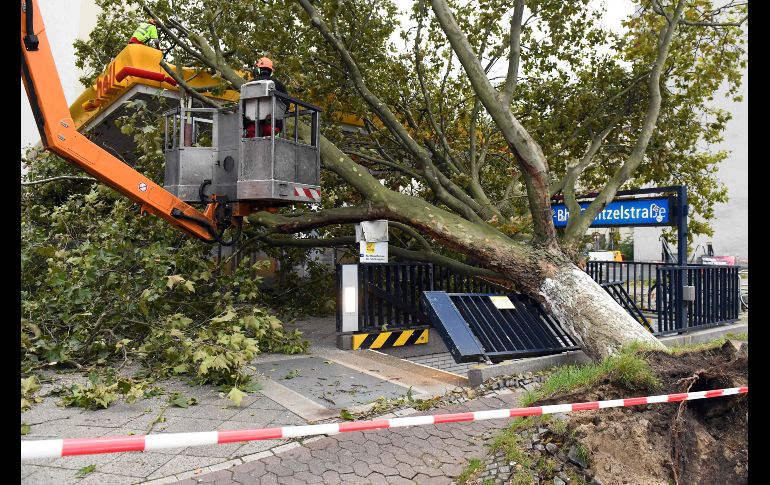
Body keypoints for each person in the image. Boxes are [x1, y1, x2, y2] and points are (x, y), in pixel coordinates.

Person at [244, 57, 289, 138]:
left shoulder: (248, 85)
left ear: (257, 70)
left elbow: (243, 106)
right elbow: (286, 105)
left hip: (252, 127)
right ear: (271, 72)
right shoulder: (278, 84)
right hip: (271, 127)